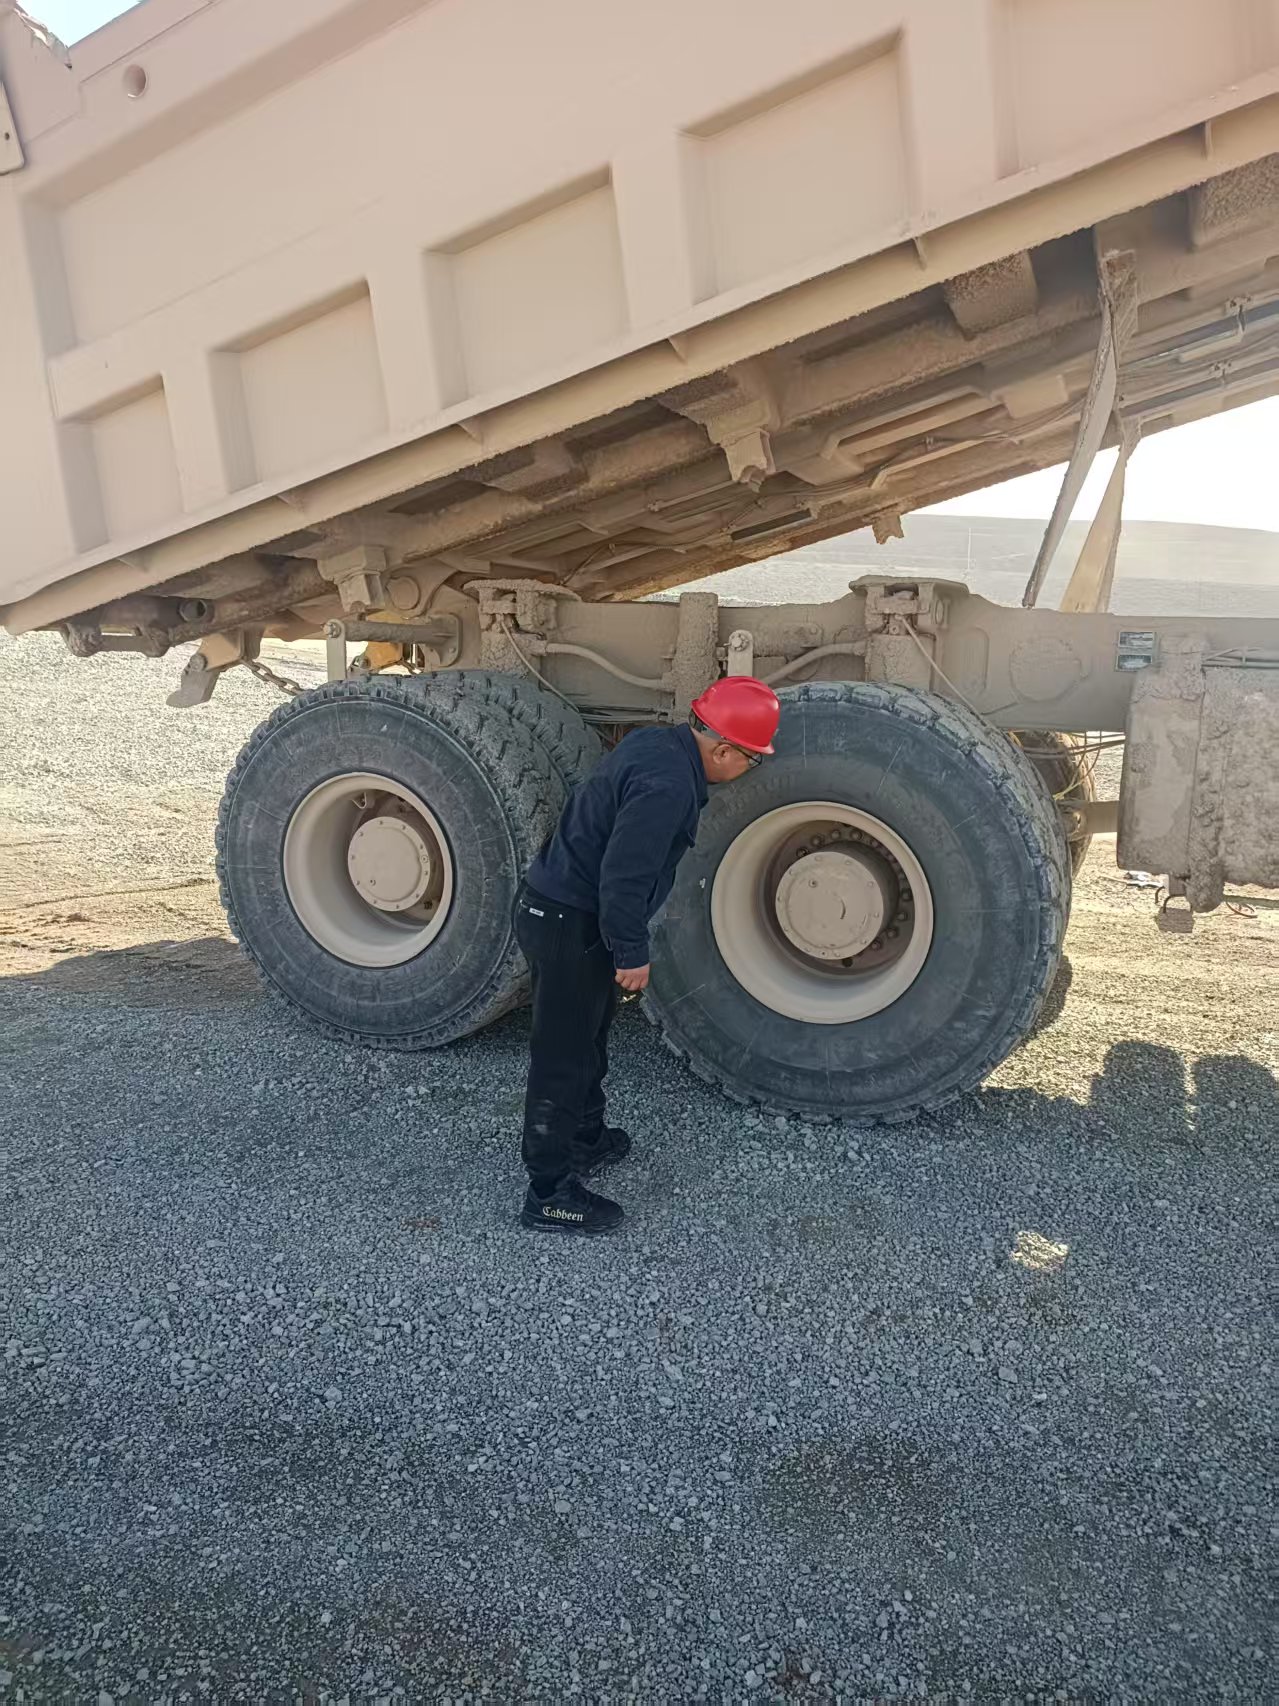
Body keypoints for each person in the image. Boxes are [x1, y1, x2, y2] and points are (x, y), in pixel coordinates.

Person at [514, 676, 782, 1235]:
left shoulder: (657, 744)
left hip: (568, 913)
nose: (749, 768)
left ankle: (585, 1138)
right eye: (752, 759)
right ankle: (549, 1192)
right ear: (723, 750)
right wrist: (630, 951)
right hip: (567, 922)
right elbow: (624, 877)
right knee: (562, 1057)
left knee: (588, 1037)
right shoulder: (668, 787)